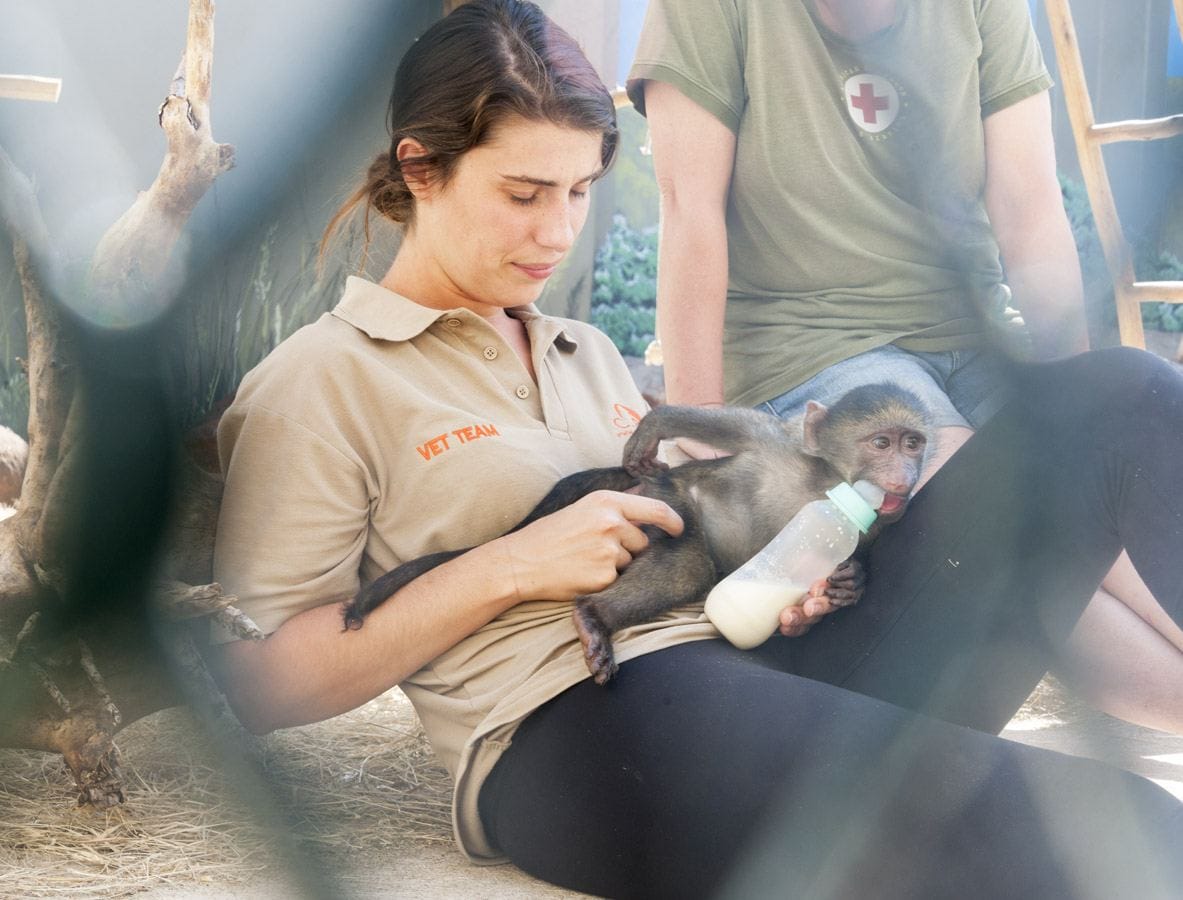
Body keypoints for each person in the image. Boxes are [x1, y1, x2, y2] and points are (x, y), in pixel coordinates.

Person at [208, 2, 1183, 897]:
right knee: (1125, 829)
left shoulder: (583, 352)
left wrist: (788, 569)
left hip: (751, 655)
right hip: (578, 723)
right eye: (523, 192)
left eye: (581, 192)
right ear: (420, 169)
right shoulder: (322, 377)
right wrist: (509, 567)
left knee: (1121, 395)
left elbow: (699, 528)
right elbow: (257, 681)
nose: (557, 231)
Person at [626, 0, 1183, 732]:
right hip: (813, 342)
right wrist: (708, 464)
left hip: (972, 330)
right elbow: (688, 209)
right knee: (985, 488)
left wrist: (1080, 425)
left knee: (1114, 444)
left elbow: (1028, 205)